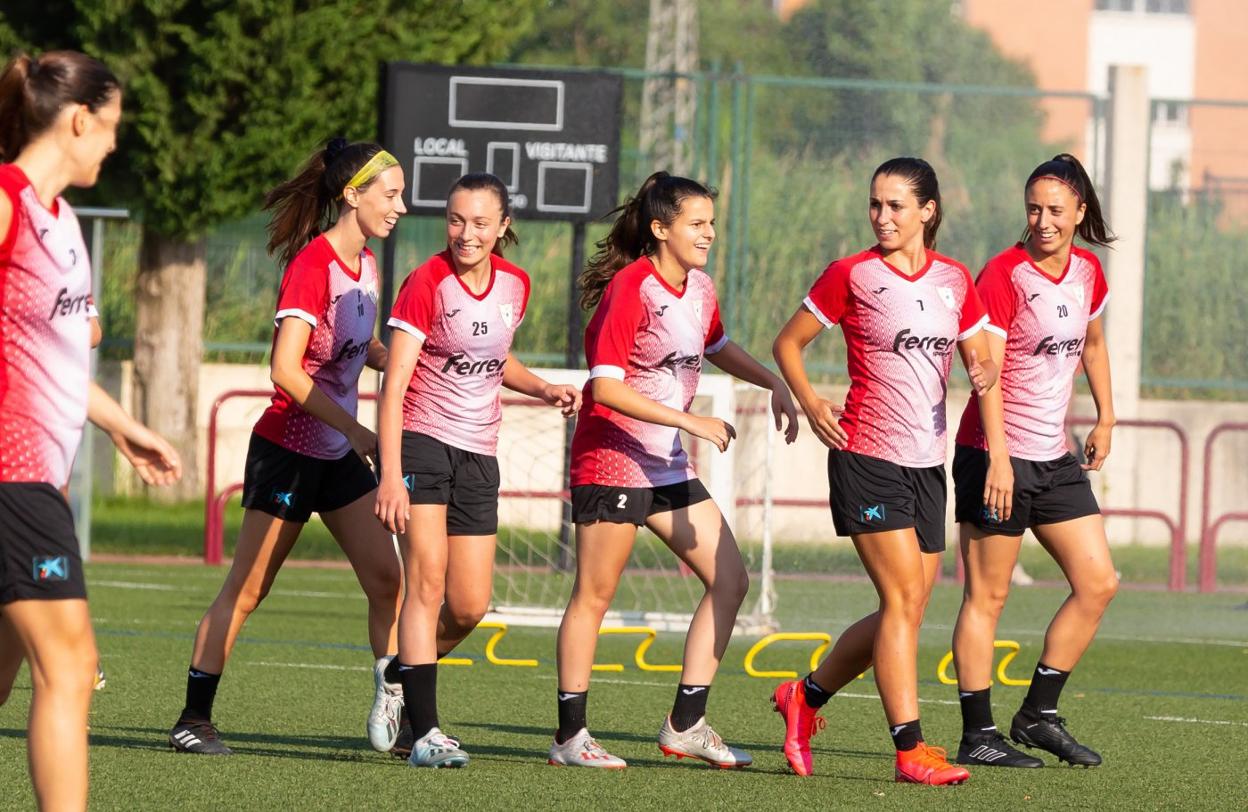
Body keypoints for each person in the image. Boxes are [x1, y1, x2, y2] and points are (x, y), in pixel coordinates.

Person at [770, 157, 1010, 785]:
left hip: (929, 466)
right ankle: (911, 751)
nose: (882, 216)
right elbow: (787, 343)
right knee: (903, 599)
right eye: (875, 204)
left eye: (896, 205)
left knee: (905, 607)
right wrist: (811, 399)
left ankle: (805, 697)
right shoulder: (851, 275)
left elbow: (982, 362)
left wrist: (983, 379)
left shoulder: (956, 280)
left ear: (928, 211)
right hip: (865, 456)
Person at [548, 171, 799, 770]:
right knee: (595, 594)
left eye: (711, 222)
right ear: (660, 229)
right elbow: (604, 388)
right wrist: (690, 423)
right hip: (612, 458)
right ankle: (570, 738)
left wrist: (772, 380)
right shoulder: (632, 288)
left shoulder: (700, 288)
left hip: (664, 464)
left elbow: (716, 345)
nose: (708, 233)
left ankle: (685, 724)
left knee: (730, 580)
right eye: (696, 223)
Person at [168, 138, 407, 756]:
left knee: (387, 580)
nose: (401, 207)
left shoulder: (368, 267)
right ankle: (193, 719)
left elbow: (362, 350)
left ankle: (397, 707)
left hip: (337, 457)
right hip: (291, 451)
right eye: (391, 194)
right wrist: (357, 430)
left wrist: (406, 359)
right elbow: (286, 370)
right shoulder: (313, 263)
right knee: (248, 590)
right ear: (352, 197)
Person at [0, 50, 182, 811]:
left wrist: (121, 426)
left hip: (40, 475)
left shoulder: (63, 222)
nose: (113, 143)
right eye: (110, 127)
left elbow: (55, 356)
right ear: (79, 120)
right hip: (10, 476)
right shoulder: (5, 201)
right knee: (70, 667)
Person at [375, 172, 581, 769]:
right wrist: (391, 474)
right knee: (427, 584)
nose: (466, 233)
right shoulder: (426, 282)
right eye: (456, 219)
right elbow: (394, 387)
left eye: (481, 222)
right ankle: (427, 734)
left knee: (468, 606)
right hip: (422, 443)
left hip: (479, 452)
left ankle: (398, 674)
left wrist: (541, 387)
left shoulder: (517, 285)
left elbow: (495, 359)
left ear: (503, 226)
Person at [949, 153, 1117, 768]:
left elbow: (1093, 345)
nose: (1042, 220)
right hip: (993, 453)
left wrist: (1105, 415)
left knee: (1099, 582)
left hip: (1053, 456)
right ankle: (978, 734)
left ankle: (1038, 714)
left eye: (1054, 209)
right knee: (986, 598)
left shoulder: (1089, 272)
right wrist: (997, 459)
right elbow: (983, 375)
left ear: (1079, 212)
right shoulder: (1004, 273)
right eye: (1033, 209)